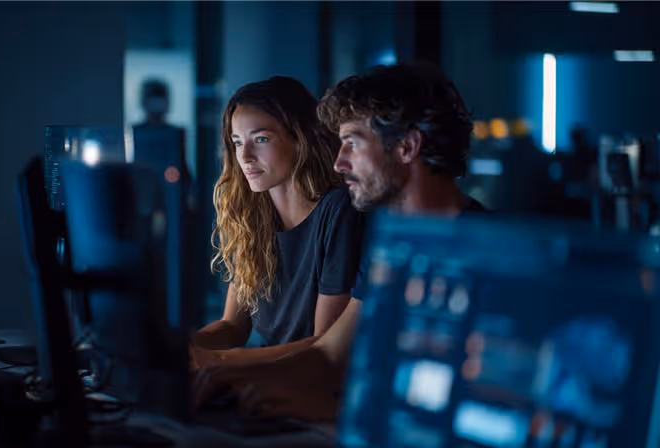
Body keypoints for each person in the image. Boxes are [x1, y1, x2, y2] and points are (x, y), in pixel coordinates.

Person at [193, 63, 488, 420]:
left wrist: (222, 365)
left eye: (352, 143)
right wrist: (222, 376)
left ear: (407, 147)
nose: (339, 162)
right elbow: (332, 353)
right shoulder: (391, 246)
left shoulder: (491, 247)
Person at [191, 77, 364, 359]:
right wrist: (182, 348)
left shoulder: (338, 209)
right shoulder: (250, 219)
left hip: (312, 385)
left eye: (261, 139)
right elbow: (233, 325)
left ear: (299, 138)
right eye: (237, 142)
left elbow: (322, 347)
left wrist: (222, 361)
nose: (244, 156)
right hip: (268, 377)